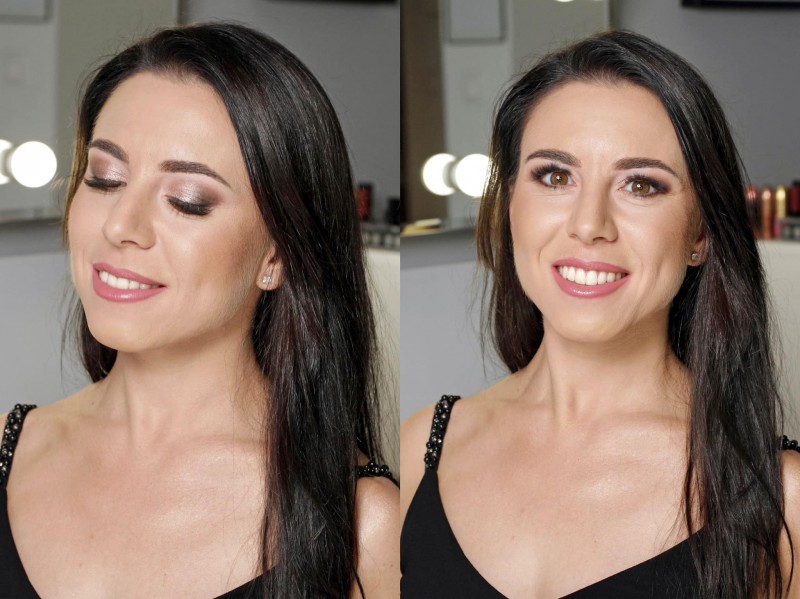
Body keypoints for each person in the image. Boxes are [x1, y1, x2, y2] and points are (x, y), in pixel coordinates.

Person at [0, 23, 399, 598]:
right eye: (105, 179)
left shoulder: (367, 529)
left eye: (186, 202)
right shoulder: (7, 452)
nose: (121, 226)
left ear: (277, 255)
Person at [400, 30, 800, 598]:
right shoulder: (420, 448)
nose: (589, 224)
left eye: (641, 184)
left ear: (701, 233)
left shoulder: (783, 499)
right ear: (510, 204)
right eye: (555, 176)